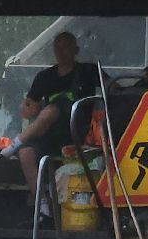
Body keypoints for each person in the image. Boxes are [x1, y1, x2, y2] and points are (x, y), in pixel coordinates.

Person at [16, 31, 102, 212]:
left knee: (53, 109)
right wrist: (27, 108)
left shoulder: (89, 71)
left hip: (79, 136)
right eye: (57, 47)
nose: (61, 51)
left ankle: (14, 144)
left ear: (76, 50)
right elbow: (28, 107)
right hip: (49, 136)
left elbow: (114, 91)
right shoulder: (44, 77)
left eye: (65, 47)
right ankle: (44, 206)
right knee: (25, 154)